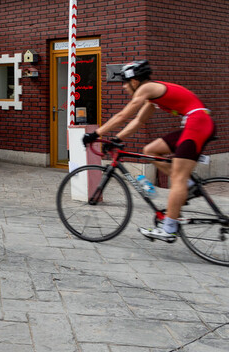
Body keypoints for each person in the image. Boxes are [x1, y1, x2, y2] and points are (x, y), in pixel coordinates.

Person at [82, 60, 215, 242]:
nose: (123, 87)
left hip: (198, 124)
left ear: (134, 81)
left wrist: (95, 134)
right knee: (151, 150)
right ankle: (189, 184)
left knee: (177, 179)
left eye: (125, 83)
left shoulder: (148, 88)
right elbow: (138, 121)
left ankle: (169, 228)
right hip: (196, 123)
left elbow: (123, 115)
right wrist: (117, 139)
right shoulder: (153, 96)